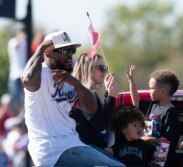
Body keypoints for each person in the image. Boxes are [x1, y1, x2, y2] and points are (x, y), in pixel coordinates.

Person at [21, 30, 125, 167]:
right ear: (49, 53)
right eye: (65, 51)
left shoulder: (67, 79)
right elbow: (27, 79)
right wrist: (39, 49)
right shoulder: (41, 73)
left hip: (73, 144)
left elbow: (91, 108)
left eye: (72, 50)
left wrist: (76, 83)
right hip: (51, 149)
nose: (70, 55)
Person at [126, 65, 181, 167]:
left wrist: (144, 139)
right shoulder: (153, 105)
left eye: (151, 88)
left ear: (163, 91)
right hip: (148, 161)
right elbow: (136, 103)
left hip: (163, 163)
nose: (149, 91)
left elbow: (166, 141)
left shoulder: (170, 112)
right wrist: (131, 81)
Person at [70, 53, 119, 149]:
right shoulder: (84, 93)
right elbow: (99, 125)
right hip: (83, 146)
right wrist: (111, 97)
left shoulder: (88, 92)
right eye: (101, 68)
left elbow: (103, 117)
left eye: (105, 68)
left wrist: (108, 94)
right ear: (88, 69)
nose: (104, 71)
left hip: (89, 144)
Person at [7, 28, 27, 114]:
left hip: (23, 75)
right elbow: (16, 46)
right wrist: (21, 38)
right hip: (14, 75)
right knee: (15, 99)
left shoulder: (26, 43)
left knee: (24, 99)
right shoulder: (13, 41)